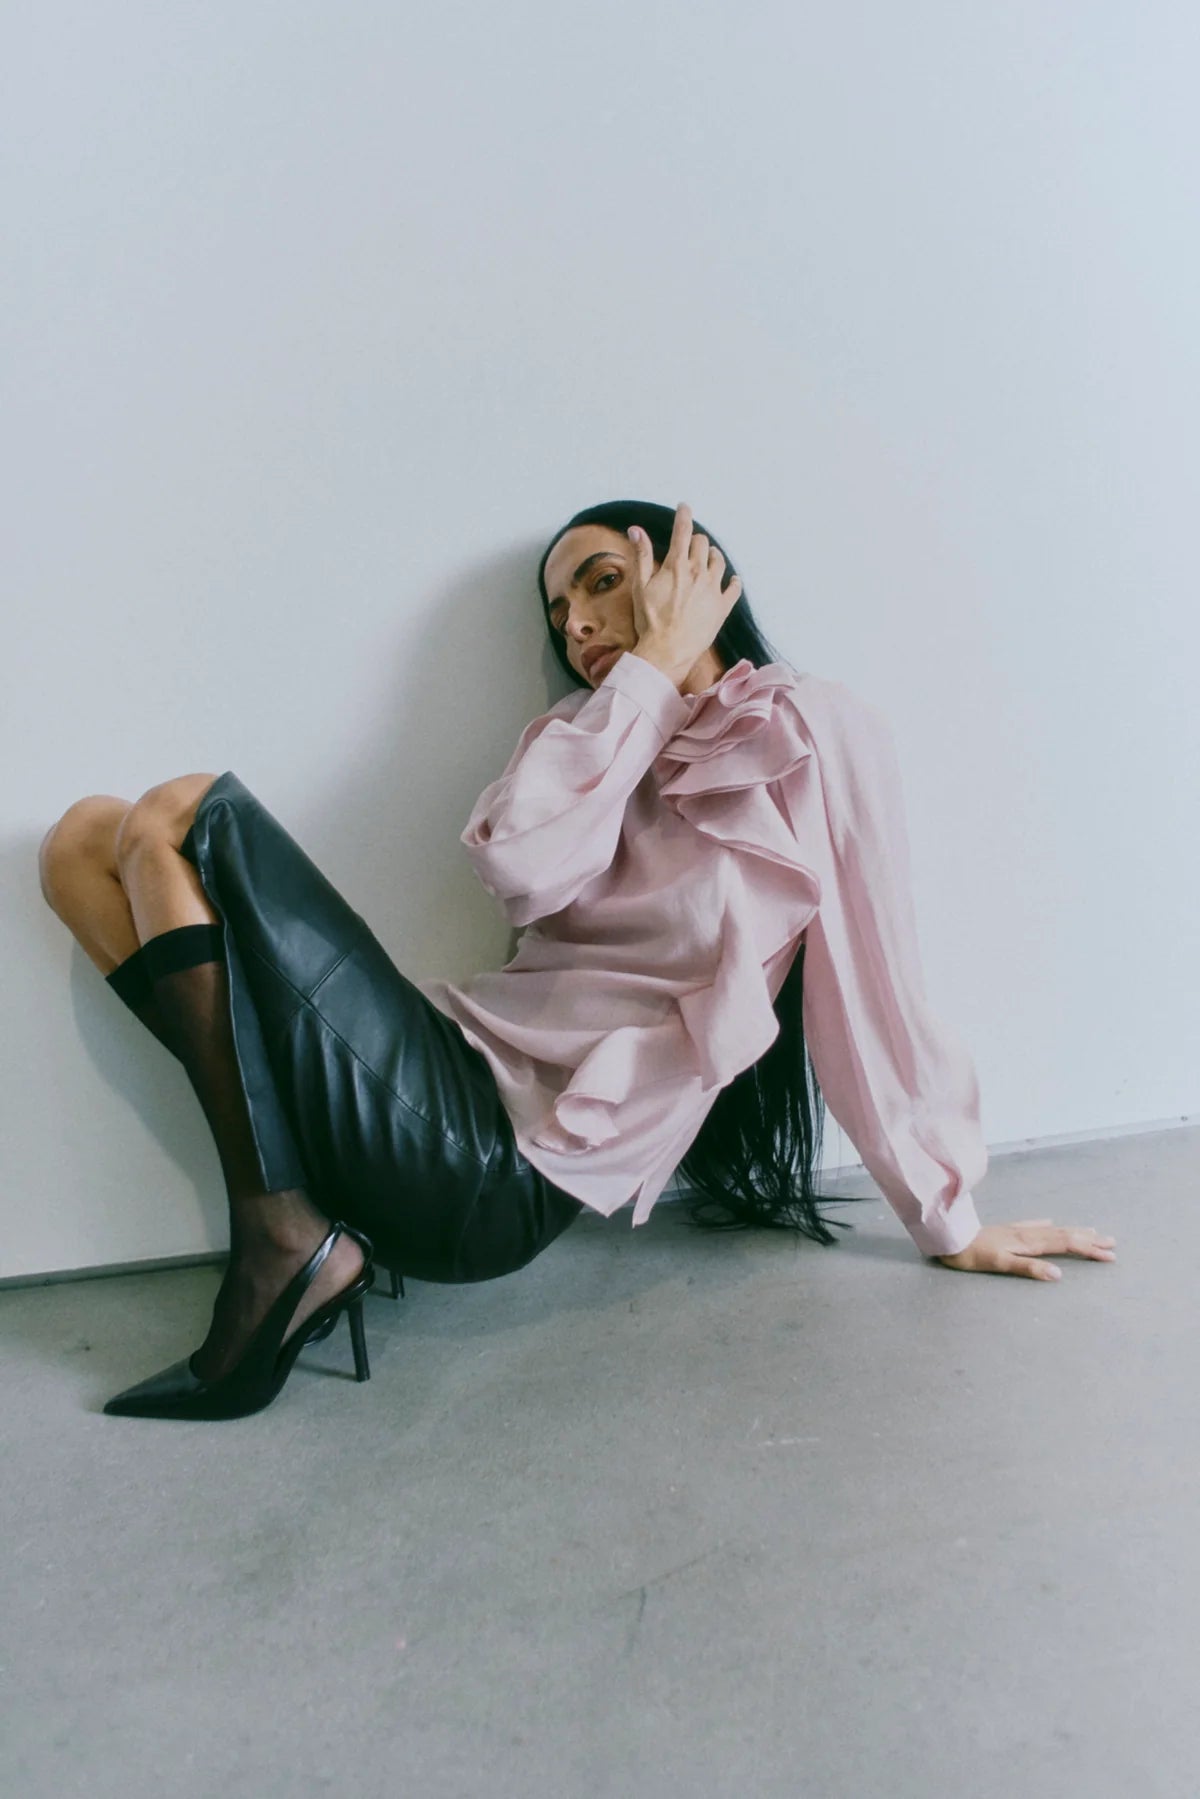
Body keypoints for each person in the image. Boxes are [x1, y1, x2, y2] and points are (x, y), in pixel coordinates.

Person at [37, 500, 1117, 1421]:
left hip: (490, 1164)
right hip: (438, 1067)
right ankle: (292, 1214)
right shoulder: (584, 734)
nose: (580, 623)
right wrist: (645, 684)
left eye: (601, 583)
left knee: (180, 812)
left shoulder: (814, 728)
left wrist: (948, 1218)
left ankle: (281, 1235)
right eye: (560, 611)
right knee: (82, 845)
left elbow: (877, 990)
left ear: (694, 574)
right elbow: (520, 865)